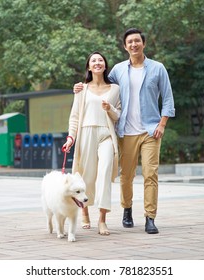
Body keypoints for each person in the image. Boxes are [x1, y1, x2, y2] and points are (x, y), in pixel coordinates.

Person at [74, 28, 175, 234]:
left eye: (137, 41)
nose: (134, 45)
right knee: (126, 176)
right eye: (130, 42)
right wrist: (80, 87)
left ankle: (150, 217)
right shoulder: (118, 70)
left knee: (150, 174)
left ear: (143, 44)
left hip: (150, 131)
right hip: (125, 132)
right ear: (125, 46)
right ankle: (127, 208)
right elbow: (99, 83)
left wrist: (162, 124)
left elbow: (168, 98)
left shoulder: (157, 68)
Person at [63, 51, 121, 235]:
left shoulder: (115, 89)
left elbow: (118, 115)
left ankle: (102, 220)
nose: (97, 63)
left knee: (104, 174)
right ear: (89, 66)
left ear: (105, 65)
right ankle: (85, 211)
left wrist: (109, 108)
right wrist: (71, 137)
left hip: (106, 134)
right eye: (93, 61)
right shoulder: (82, 89)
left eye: (100, 60)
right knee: (86, 175)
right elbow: (74, 116)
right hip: (86, 133)